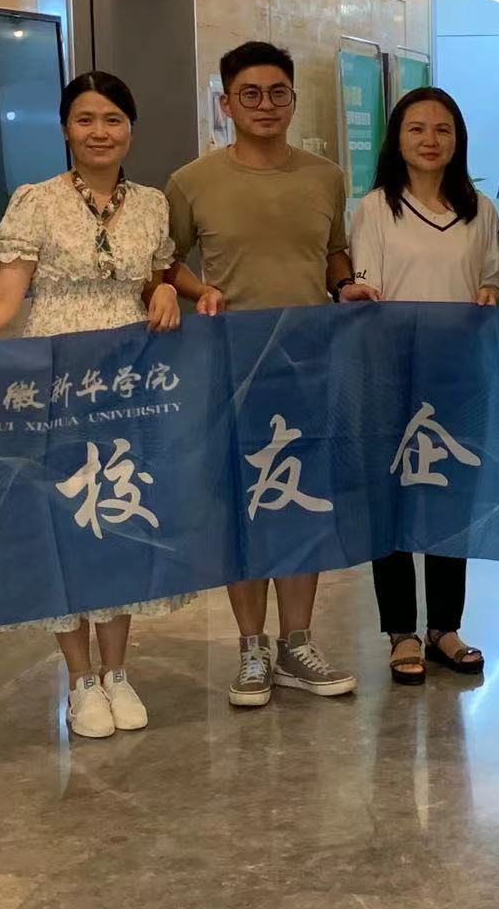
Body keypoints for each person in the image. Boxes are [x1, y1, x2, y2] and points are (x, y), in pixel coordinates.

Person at [0, 71, 188, 739]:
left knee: (118, 514)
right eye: (85, 119)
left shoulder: (152, 204)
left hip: (127, 385)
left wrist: (165, 290)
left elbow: (154, 279)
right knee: (65, 524)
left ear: (131, 128)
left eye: (113, 118)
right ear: (65, 128)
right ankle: (80, 680)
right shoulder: (34, 201)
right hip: (56, 383)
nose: (100, 132)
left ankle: (117, 671)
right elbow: (4, 304)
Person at [165, 41, 358, 708]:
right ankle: (252, 646)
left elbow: (334, 254)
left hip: (309, 366)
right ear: (226, 103)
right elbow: (165, 263)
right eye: (250, 93)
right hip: (229, 370)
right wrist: (198, 292)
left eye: (278, 93)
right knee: (240, 509)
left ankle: (296, 642)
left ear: (293, 100)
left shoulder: (326, 177)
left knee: (301, 504)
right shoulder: (192, 181)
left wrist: (346, 286)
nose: (265, 105)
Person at [341, 87, 499, 684]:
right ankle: (400, 631)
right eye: (416, 129)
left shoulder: (479, 209)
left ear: (458, 139)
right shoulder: (374, 208)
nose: (430, 140)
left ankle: (445, 627)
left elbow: (495, 277)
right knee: (390, 500)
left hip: (459, 374)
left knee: (449, 496)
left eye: (442, 129)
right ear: (397, 139)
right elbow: (367, 289)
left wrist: (491, 292)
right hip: (389, 374)